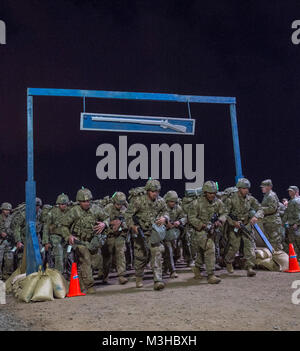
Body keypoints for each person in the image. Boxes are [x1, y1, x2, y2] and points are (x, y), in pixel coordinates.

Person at [60, 188, 110, 294]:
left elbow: (107, 217)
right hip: (79, 241)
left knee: (96, 261)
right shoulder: (74, 211)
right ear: (79, 201)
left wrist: (104, 223)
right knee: (86, 259)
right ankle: (89, 286)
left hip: (92, 241)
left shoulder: (96, 209)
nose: (86, 203)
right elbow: (64, 226)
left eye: (88, 201)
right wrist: (69, 236)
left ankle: (81, 283)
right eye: (84, 201)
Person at [125, 179, 169, 290]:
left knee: (157, 252)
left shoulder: (161, 201)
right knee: (141, 257)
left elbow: (166, 212)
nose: (155, 193)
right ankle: (139, 277)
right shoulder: (138, 201)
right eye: (153, 191)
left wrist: (165, 218)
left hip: (154, 233)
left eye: (157, 191)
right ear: (147, 191)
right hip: (140, 233)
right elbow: (128, 215)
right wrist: (132, 226)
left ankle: (158, 280)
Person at [188, 181, 227, 284]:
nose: (212, 195)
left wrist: (220, 221)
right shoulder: (196, 203)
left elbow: (224, 213)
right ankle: (211, 274)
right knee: (210, 248)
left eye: (214, 193)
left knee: (202, 252)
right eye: (209, 193)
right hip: (200, 232)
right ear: (205, 192)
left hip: (213, 230)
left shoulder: (218, 202)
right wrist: (202, 225)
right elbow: (191, 218)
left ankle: (196, 267)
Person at [224, 178, 264, 277]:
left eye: (247, 188)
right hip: (235, 225)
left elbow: (260, 209)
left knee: (249, 246)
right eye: (244, 188)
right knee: (234, 246)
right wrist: (233, 222)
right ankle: (228, 261)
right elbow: (225, 214)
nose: (247, 190)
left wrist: (256, 216)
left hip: (246, 225)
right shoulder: (231, 199)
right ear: (239, 188)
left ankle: (249, 267)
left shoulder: (251, 199)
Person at [101, 192, 128, 285]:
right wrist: (111, 222)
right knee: (107, 257)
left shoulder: (125, 209)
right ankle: (105, 275)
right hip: (109, 236)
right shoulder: (107, 208)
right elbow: (101, 220)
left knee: (120, 253)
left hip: (120, 235)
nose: (119, 206)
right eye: (118, 204)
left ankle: (121, 275)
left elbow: (129, 222)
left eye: (121, 204)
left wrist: (121, 223)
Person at [42, 193, 70, 273]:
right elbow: (46, 227)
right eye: (62, 204)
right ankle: (59, 275)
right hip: (55, 237)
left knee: (65, 257)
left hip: (65, 238)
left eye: (65, 204)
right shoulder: (52, 213)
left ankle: (63, 273)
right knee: (59, 256)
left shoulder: (69, 212)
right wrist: (46, 242)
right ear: (58, 204)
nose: (63, 206)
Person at [163, 190, 187, 278]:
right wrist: (166, 224)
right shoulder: (163, 208)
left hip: (175, 234)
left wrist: (179, 221)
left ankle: (165, 268)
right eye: (171, 201)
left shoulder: (178, 208)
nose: (173, 203)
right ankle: (172, 271)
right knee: (169, 251)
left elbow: (185, 217)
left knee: (177, 253)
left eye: (174, 201)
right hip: (165, 234)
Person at [260, 179, 283, 250]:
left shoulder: (271, 196)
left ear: (269, 187)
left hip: (273, 222)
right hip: (269, 222)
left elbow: (272, 208)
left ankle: (279, 258)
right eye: (262, 187)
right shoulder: (266, 196)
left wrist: (261, 209)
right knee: (271, 242)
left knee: (275, 242)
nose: (262, 188)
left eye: (263, 187)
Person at [282, 186, 300, 258]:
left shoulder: (297, 201)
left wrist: (297, 223)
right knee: (293, 244)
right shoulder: (290, 201)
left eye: (291, 191)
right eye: (289, 191)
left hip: (296, 226)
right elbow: (287, 213)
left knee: (298, 242)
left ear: (295, 192)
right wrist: (283, 223)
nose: (289, 192)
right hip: (290, 225)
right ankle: (296, 260)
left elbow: (299, 213)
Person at [0, 202, 14, 280]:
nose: (7, 211)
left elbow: (15, 228)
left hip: (9, 243)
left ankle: (7, 277)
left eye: (9, 210)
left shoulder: (11, 219)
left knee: (9, 261)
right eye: (5, 210)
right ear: (2, 210)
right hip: (1, 242)